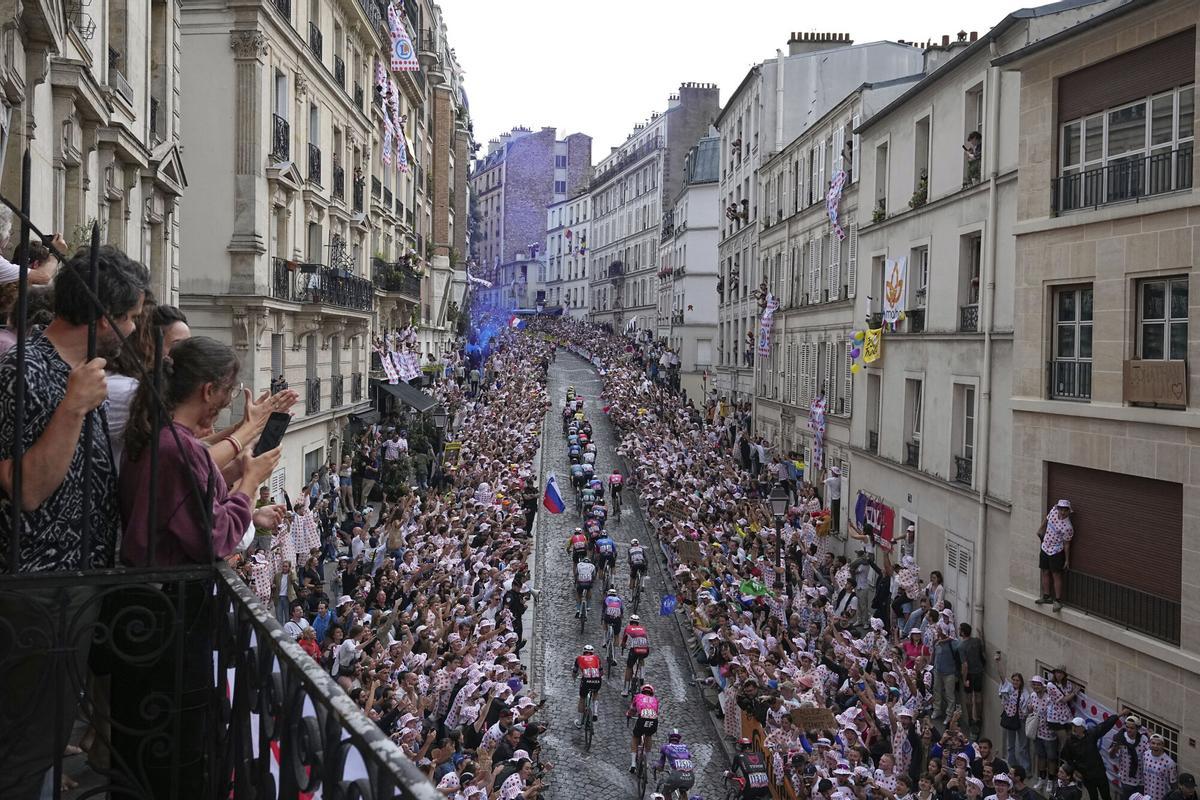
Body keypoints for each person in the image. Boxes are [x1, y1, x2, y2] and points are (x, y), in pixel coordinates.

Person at [0, 245, 150, 797]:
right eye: (130, 315)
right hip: (40, 597)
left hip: (71, 590)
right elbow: (29, 488)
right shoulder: (27, 370)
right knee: (23, 748)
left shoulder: (75, 372)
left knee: (43, 738)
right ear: (100, 314)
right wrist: (72, 406)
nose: (134, 328)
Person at [1062, 713, 1120, 800]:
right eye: (1073, 726)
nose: (1073, 728)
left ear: (1082, 728)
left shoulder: (1091, 735)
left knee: (1106, 796)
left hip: (1099, 773)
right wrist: (1075, 770)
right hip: (1086, 776)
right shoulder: (1069, 742)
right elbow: (1067, 757)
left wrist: (1119, 715)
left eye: (1076, 726)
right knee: (1093, 797)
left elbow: (1104, 726)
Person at [1035, 499, 1074, 612]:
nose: (1062, 512)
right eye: (1061, 509)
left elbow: (1067, 544)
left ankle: (1057, 600)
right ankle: (1046, 596)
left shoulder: (1068, 527)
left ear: (1068, 512)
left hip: (1056, 551)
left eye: (1065, 510)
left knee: (1056, 574)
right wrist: (1040, 529)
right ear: (1058, 509)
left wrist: (1067, 560)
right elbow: (1046, 520)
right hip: (1045, 547)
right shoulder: (1053, 512)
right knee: (1045, 571)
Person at [999, 670, 1032, 773]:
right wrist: (998, 662)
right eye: (1013, 680)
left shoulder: (1024, 693)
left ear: (1021, 682)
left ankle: (1025, 769)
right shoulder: (1009, 689)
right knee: (1010, 745)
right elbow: (1002, 677)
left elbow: (1026, 708)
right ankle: (1012, 766)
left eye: (1017, 680)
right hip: (1010, 719)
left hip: (1021, 720)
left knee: (1023, 746)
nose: (1015, 682)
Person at [959, 623, 987, 735]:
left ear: (962, 632)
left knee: (969, 697)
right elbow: (982, 646)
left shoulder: (962, 646)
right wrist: (981, 635)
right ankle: (979, 718)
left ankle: (971, 718)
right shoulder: (976, 641)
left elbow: (965, 665)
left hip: (970, 674)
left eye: (960, 630)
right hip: (979, 671)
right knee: (978, 695)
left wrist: (964, 678)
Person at [627, 683, 659, 773]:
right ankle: (647, 761)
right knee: (648, 736)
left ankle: (633, 763)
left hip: (642, 719)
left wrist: (629, 715)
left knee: (635, 737)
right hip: (653, 721)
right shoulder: (655, 700)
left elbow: (632, 709)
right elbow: (656, 712)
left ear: (642, 691)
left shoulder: (638, 696)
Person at [656, 728, 695, 799]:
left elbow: (660, 766)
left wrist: (656, 767)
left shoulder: (665, 747)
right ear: (679, 739)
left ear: (669, 738)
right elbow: (688, 758)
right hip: (691, 776)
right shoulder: (685, 747)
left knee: (666, 792)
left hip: (677, 776)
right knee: (683, 791)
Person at [572, 644, 602, 729]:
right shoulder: (597, 658)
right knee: (596, 692)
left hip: (586, 681)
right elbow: (601, 672)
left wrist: (574, 678)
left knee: (582, 698)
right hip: (597, 680)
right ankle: (595, 712)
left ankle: (580, 722)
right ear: (593, 653)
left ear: (583, 652)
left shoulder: (579, 658)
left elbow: (575, 671)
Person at [621, 613, 651, 696]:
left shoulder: (628, 628)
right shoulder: (642, 628)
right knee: (641, 659)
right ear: (638, 623)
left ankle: (626, 690)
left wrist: (623, 647)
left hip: (634, 650)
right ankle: (642, 676)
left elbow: (624, 641)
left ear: (630, 622)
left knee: (629, 667)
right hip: (645, 649)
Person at [575, 553, 596, 618]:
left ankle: (578, 609)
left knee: (578, 594)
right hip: (588, 583)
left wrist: (576, 581)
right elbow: (594, 575)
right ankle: (588, 606)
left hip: (580, 583)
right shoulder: (592, 566)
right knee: (589, 590)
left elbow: (576, 574)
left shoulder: (579, 565)